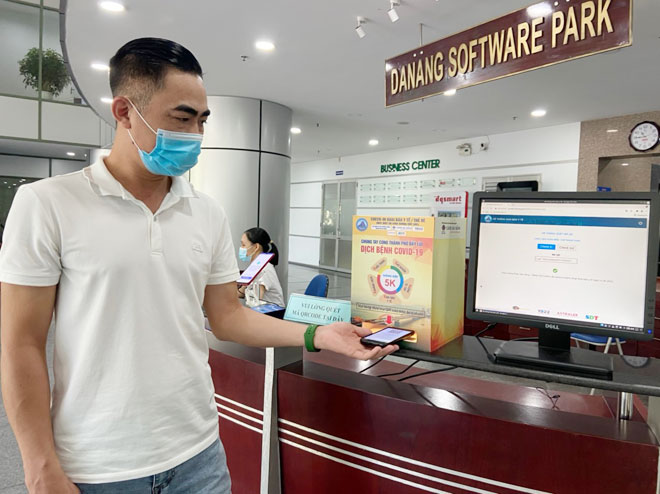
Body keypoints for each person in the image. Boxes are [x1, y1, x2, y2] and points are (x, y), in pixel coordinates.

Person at [0, 38, 397, 494]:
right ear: (125, 112)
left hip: (199, 455)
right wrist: (38, 465)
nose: (195, 134)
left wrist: (317, 334)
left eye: (202, 120)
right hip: (97, 466)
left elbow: (227, 317)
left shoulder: (206, 212)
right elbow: (21, 345)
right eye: (181, 118)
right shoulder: (47, 204)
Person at [237, 227, 285, 308]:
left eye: (243, 245)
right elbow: (240, 293)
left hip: (271, 315)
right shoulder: (255, 267)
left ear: (256, 247)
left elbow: (255, 303)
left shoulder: (264, 269)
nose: (241, 248)